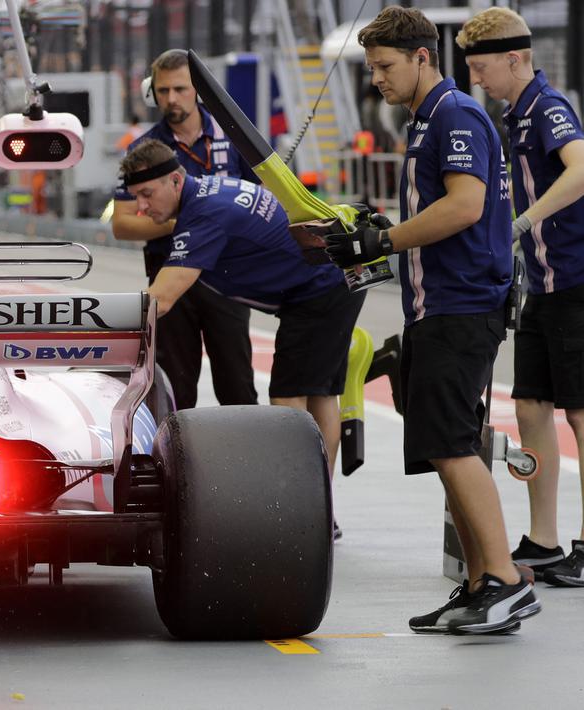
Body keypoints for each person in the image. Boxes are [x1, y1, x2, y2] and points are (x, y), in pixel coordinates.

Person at [328, 6, 538, 635]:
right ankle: (479, 584)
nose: (377, 81)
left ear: (423, 57)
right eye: (372, 68)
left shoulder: (454, 114)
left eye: (386, 66)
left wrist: (383, 241)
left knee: (453, 447)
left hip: (463, 305)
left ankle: (503, 581)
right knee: (446, 448)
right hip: (433, 305)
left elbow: (467, 205)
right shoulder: (426, 120)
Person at [121, 140, 365, 495]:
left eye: (146, 194)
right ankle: (319, 504)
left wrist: (95, 329)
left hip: (320, 291)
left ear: (175, 181)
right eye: (135, 197)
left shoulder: (204, 216)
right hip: (330, 280)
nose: (141, 208)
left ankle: (300, 505)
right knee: (319, 394)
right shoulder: (206, 193)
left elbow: (161, 299)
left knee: (288, 401)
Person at [457, 8, 584, 586]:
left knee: (581, 413)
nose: (476, 79)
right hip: (543, 282)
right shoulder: (514, 115)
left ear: (515, 58)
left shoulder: (549, 108)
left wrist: (524, 220)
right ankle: (546, 540)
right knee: (531, 405)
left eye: (482, 68)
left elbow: (581, 169)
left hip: (578, 280)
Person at [112, 49, 258, 412]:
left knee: (237, 384)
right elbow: (122, 224)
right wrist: (191, 223)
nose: (171, 99)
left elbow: (261, 199)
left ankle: (245, 462)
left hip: (227, 276)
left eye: (179, 89)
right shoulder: (142, 151)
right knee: (175, 386)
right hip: (170, 275)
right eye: (162, 91)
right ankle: (175, 461)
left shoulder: (237, 135)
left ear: (198, 91)